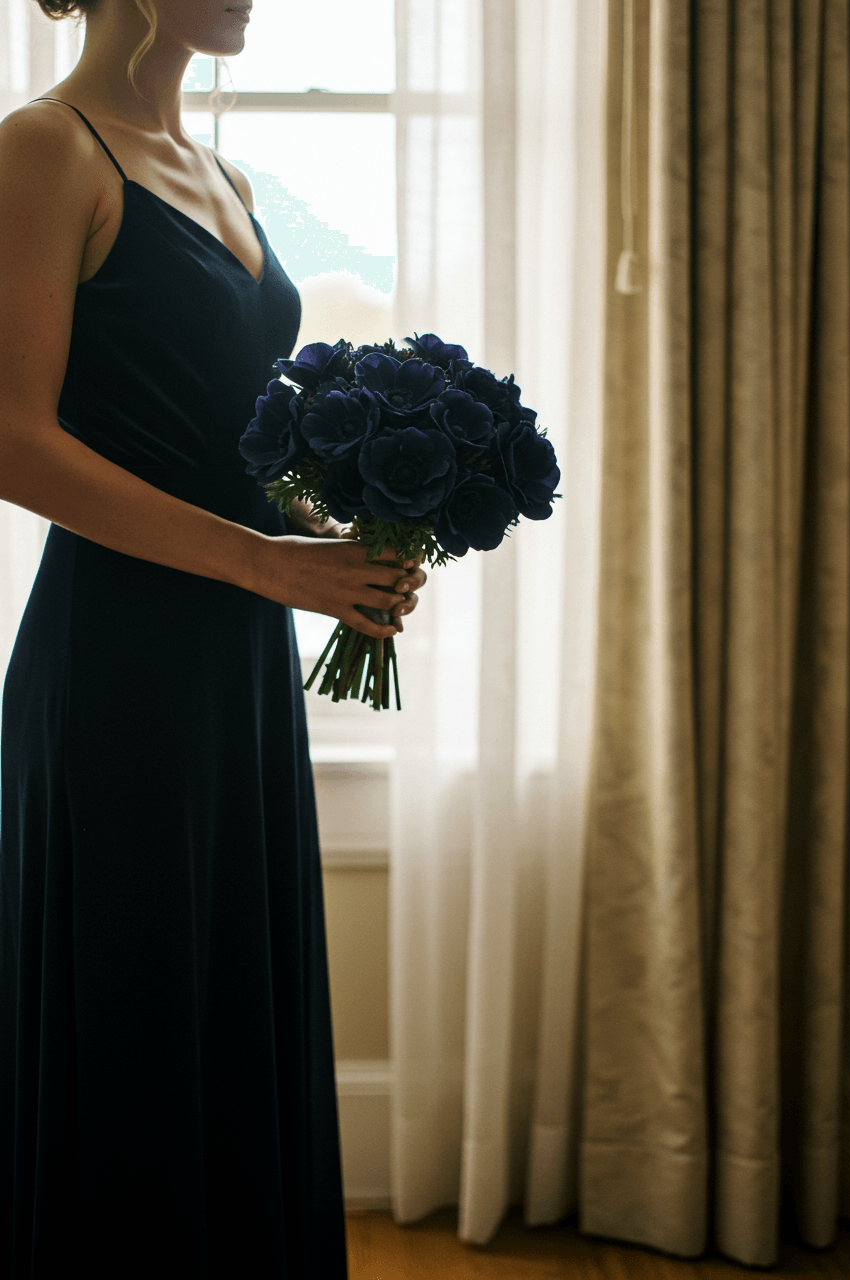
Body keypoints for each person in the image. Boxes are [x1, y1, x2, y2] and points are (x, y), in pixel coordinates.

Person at [0, 2, 427, 1275]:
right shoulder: (44, 149)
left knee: (226, 993)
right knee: (134, 997)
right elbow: (14, 439)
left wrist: (338, 537)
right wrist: (263, 560)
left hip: (237, 661)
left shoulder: (225, 172)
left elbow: (209, 439)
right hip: (121, 662)